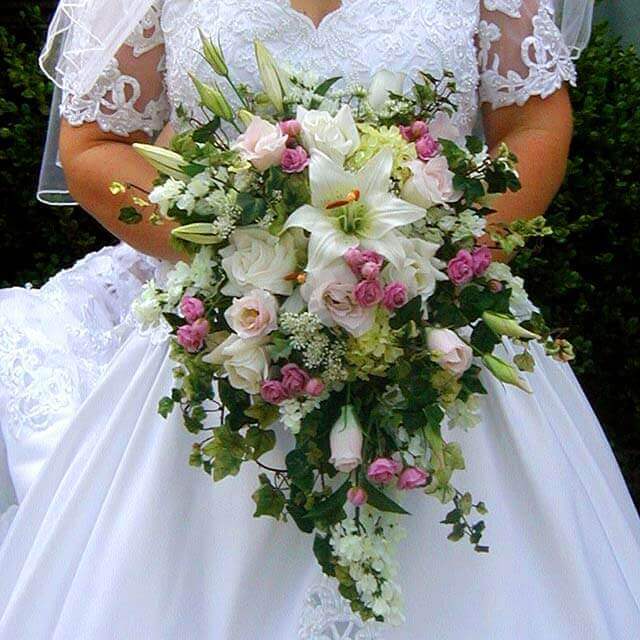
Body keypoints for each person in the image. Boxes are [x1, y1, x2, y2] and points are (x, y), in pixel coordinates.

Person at [1, 0, 639, 638]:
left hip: (434, 317)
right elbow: (95, 145)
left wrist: (439, 256)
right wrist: (235, 257)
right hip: (228, 331)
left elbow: (533, 123)